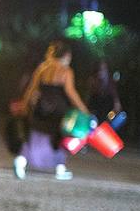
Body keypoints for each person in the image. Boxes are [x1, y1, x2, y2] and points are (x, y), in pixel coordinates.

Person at [19, 41, 90, 180]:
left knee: (34, 136)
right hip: (59, 110)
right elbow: (71, 92)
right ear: (67, 55)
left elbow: (31, 88)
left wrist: (24, 105)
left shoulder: (42, 68)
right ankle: (60, 169)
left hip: (41, 108)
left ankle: (21, 162)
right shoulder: (66, 71)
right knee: (60, 138)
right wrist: (84, 110)